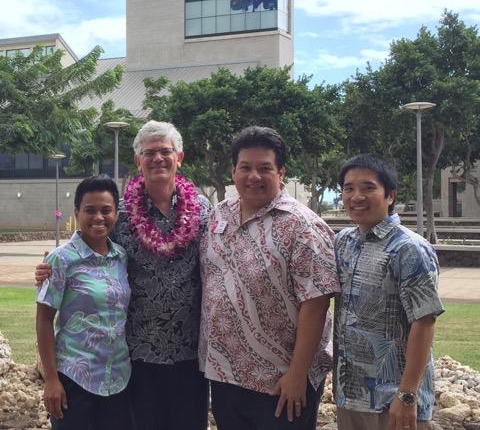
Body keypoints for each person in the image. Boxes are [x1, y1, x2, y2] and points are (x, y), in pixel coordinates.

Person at [36, 121, 211, 430]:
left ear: (179, 157)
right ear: (138, 161)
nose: (158, 158)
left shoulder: (201, 208)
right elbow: (92, 245)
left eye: (165, 151)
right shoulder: (123, 214)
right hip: (136, 356)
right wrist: (49, 266)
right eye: (149, 152)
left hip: (189, 352)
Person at [199, 126, 340, 430]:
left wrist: (297, 374)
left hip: (280, 382)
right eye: (245, 167)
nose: (254, 176)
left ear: (281, 173)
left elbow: (315, 304)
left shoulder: (302, 226)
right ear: (233, 170)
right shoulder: (219, 215)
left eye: (265, 168)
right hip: (226, 375)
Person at [333, 154, 444, 430]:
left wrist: (407, 395)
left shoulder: (409, 249)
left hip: (392, 401)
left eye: (368, 187)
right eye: (349, 188)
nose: (357, 196)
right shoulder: (343, 242)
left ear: (390, 195)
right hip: (351, 395)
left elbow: (425, 322)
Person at [36, 175, 132, 430]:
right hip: (74, 381)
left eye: (106, 210)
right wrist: (51, 379)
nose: (98, 217)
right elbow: (44, 320)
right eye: (90, 210)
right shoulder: (61, 260)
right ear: (77, 212)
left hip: (118, 379)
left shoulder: (121, 256)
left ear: (116, 214)